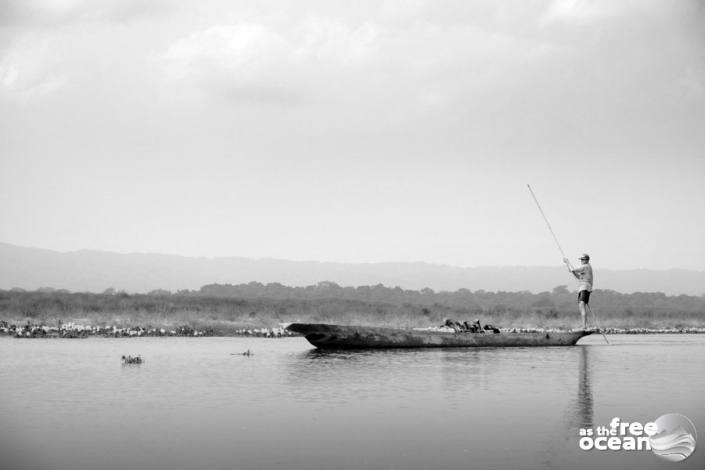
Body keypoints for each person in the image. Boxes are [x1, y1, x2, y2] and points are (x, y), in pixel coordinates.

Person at [563, 253, 593, 330]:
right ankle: (584, 325)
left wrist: (567, 262)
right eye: (581, 260)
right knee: (581, 307)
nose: (581, 261)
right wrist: (572, 271)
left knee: (582, 306)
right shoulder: (585, 268)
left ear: (587, 260)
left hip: (585, 288)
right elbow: (578, 277)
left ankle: (584, 326)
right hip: (582, 289)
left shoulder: (586, 266)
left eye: (583, 260)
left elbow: (572, 269)